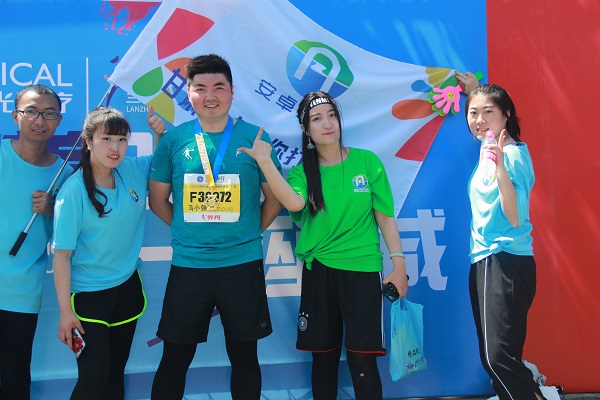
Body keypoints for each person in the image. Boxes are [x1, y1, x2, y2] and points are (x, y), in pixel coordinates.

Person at [238, 91, 408, 400]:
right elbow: (294, 203)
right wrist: (264, 162)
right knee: (323, 359)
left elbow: (385, 218)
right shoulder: (302, 172)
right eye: (317, 119)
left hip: (363, 270)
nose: (327, 124)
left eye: (332, 116)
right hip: (320, 271)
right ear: (305, 129)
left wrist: (399, 265)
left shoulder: (367, 161)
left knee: (362, 361)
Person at [148, 54, 282, 400]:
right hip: (190, 265)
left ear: (232, 92)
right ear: (189, 93)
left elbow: (274, 198)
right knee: (175, 357)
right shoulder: (174, 140)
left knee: (244, 356)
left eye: (218, 87)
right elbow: (158, 200)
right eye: (200, 88)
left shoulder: (255, 139)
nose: (210, 96)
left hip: (242, 264)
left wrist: (250, 233)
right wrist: (186, 230)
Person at [52, 107, 163, 400]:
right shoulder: (73, 191)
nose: (115, 148)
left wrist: (159, 134)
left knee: (115, 376)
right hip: (88, 297)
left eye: (122, 139)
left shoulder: (131, 170)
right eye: (106, 139)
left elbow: (161, 165)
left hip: (127, 289)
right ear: (88, 141)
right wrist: (65, 312)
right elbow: (61, 256)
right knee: (94, 378)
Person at [465, 84, 546, 400]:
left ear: (507, 114)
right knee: (497, 357)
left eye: (489, 112)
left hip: (503, 260)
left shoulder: (510, 155)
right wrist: (471, 89)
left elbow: (514, 216)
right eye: (473, 113)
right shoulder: (492, 148)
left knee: (498, 358)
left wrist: (499, 168)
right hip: (486, 261)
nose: (480, 119)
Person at [0, 84, 73, 400]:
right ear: (15, 116)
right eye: (31, 111)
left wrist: (53, 210)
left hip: (21, 292)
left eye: (49, 113)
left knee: (14, 378)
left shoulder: (65, 174)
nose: (39, 120)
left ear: (59, 121)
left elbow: (77, 232)